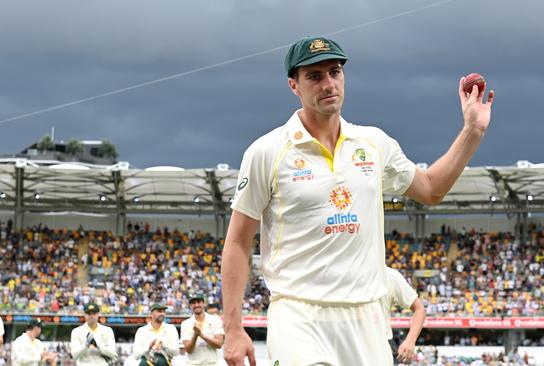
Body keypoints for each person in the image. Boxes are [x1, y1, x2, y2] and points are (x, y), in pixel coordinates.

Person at [222, 35, 494, 366]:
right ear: (294, 85)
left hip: (367, 319)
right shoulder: (267, 152)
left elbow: (431, 189)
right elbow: (237, 241)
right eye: (315, 76)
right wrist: (233, 328)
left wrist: (472, 132)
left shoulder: (374, 143)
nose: (328, 84)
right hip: (299, 314)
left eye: (335, 71)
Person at [380, 267, 426, 364]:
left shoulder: (389, 275)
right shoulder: (342, 270)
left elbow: (419, 308)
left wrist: (410, 340)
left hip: (380, 346)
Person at [180, 294, 224, 366]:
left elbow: (219, 344)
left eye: (199, 302)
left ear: (204, 304)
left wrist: (202, 335)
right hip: (193, 364)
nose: (196, 305)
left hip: (212, 364)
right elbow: (188, 350)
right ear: (190, 306)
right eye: (193, 303)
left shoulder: (215, 320)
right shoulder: (185, 324)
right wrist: (195, 335)